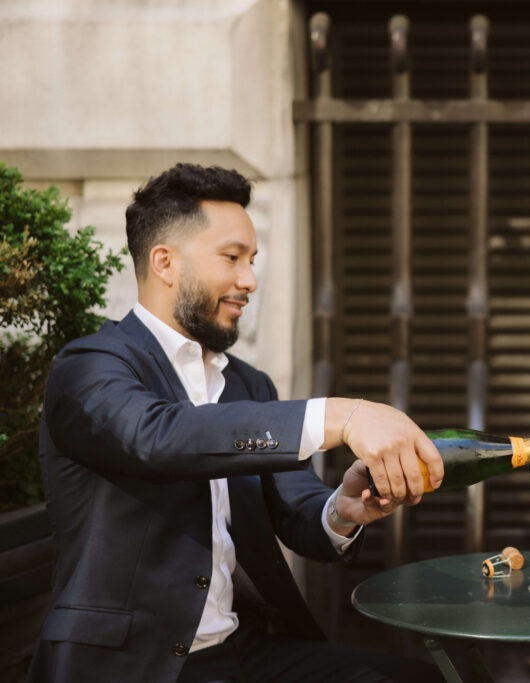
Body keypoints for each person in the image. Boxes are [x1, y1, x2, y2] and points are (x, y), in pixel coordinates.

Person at [29, 163, 446, 683]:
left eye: (251, 260)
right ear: (165, 262)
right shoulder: (89, 366)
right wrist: (346, 414)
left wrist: (342, 511)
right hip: (134, 665)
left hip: (244, 652)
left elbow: (297, 513)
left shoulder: (249, 383)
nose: (249, 280)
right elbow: (158, 438)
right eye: (231, 258)